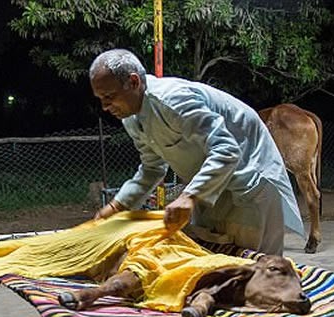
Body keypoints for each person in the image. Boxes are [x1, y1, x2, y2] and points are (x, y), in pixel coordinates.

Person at [89, 48, 305, 255]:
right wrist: (118, 205)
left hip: (249, 187)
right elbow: (152, 168)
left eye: (109, 96)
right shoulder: (131, 118)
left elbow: (227, 150)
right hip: (208, 193)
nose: (105, 106)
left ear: (134, 82)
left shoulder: (173, 101)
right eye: (100, 99)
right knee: (212, 268)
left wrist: (189, 197)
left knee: (259, 273)